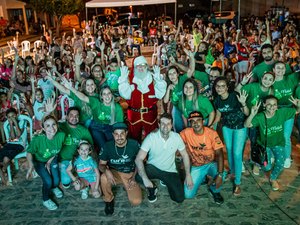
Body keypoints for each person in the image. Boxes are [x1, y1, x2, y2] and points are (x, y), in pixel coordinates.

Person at [244, 95, 300, 191]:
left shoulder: (282, 113)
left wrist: (297, 105)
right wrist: (252, 114)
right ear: (264, 105)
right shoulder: (260, 117)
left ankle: (273, 179)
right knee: (266, 166)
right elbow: (247, 125)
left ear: (277, 106)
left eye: (274, 104)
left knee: (280, 163)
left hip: (278, 144)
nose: (272, 107)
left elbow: (297, 111)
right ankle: (258, 165)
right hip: (264, 145)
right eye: (269, 104)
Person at [135, 113, 193, 203]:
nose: (165, 126)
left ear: (171, 125)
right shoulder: (151, 137)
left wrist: (188, 175)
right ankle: (152, 188)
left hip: (169, 170)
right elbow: (138, 159)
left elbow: (185, 155)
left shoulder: (176, 137)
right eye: (163, 123)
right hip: (153, 168)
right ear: (159, 125)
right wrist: (145, 179)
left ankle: (165, 180)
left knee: (179, 198)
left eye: (168, 124)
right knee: (139, 176)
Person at [212, 77, 249, 195]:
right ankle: (232, 172)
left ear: (227, 87)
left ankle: (237, 183)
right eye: (218, 86)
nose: (220, 88)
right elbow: (218, 115)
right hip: (227, 127)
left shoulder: (234, 96)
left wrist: (243, 103)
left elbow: (247, 113)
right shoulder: (217, 100)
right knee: (228, 150)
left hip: (240, 127)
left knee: (237, 154)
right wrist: (212, 125)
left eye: (223, 86)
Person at [118, 55, 167, 142]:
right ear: (135, 67)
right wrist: (123, 80)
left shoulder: (153, 78)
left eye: (143, 65)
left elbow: (160, 95)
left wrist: (159, 81)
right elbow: (125, 95)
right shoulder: (129, 80)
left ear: (146, 66)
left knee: (152, 140)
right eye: (138, 65)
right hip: (134, 116)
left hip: (150, 116)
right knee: (134, 139)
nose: (140, 67)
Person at [180, 111, 225, 205]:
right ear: (190, 123)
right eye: (193, 121)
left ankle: (215, 190)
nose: (196, 123)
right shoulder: (186, 133)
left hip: (211, 164)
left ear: (203, 121)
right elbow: (174, 140)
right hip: (196, 166)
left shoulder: (211, 133)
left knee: (223, 173)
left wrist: (220, 175)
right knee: (188, 194)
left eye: (198, 120)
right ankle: (203, 177)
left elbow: (220, 154)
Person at [99, 122, 142, 215]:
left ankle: (129, 185)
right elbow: (101, 165)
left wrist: (134, 177)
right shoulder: (107, 146)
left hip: (130, 174)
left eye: (122, 133)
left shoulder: (134, 144)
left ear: (126, 133)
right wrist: (106, 170)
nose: (119, 137)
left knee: (136, 201)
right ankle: (108, 200)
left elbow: (141, 163)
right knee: (104, 177)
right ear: (113, 135)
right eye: (116, 134)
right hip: (114, 173)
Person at [26, 115, 66, 210]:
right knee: (48, 181)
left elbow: (57, 150)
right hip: (39, 161)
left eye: (53, 124)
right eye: (47, 126)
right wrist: (31, 165)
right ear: (43, 128)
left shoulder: (61, 135)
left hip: (52, 158)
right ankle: (46, 199)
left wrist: (49, 161)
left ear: (57, 125)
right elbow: (29, 152)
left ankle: (54, 187)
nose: (51, 128)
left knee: (56, 180)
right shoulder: (38, 139)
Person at [58, 107, 94, 188]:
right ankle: (62, 171)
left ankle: (76, 176)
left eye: (77, 116)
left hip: (78, 160)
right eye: (71, 115)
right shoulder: (60, 126)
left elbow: (91, 147)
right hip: (64, 160)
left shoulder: (83, 130)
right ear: (67, 117)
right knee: (66, 182)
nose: (74, 118)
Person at [0, 108, 27, 185]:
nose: (11, 118)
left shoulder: (22, 122)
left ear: (17, 115)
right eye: (9, 117)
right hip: (10, 144)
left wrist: (15, 122)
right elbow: (12, 137)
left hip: (19, 145)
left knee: (6, 159)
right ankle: (4, 179)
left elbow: (18, 135)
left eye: (13, 116)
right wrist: (11, 124)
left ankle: (4, 169)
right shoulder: (8, 125)